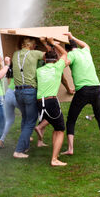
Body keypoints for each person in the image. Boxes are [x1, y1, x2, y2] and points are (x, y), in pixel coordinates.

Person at [60, 32, 100, 156]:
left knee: (71, 119)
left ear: (67, 50)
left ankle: (70, 149)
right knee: (99, 115)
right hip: (96, 88)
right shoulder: (85, 51)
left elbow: (64, 63)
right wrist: (72, 37)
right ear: (76, 46)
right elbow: (85, 44)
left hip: (83, 90)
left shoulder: (71, 55)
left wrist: (59, 53)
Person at [35, 37, 73, 167]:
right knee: (60, 129)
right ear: (55, 60)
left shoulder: (39, 71)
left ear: (44, 60)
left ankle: (40, 127)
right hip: (51, 102)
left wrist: (45, 44)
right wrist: (53, 43)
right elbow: (64, 54)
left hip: (40, 103)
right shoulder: (58, 67)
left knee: (55, 129)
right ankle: (54, 159)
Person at [11, 36, 44, 159]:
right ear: (30, 46)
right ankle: (18, 150)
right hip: (29, 90)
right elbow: (50, 55)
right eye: (35, 45)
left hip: (18, 91)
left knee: (25, 118)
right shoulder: (35, 53)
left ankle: (24, 146)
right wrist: (46, 42)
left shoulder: (15, 54)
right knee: (31, 121)